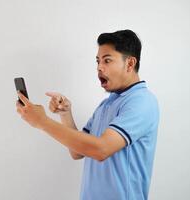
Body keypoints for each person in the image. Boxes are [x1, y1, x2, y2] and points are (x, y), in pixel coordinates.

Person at [15, 29, 159, 200]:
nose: (99, 67)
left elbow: (101, 149)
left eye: (107, 60)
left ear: (129, 64)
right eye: (98, 61)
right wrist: (65, 114)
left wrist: (42, 122)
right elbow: (77, 153)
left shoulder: (141, 101)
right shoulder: (107, 103)